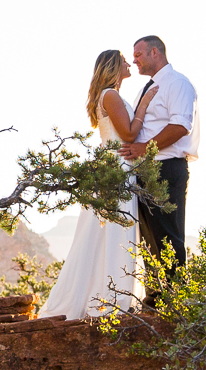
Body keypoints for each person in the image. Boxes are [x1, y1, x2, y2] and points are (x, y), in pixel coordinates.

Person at [40, 49, 148, 320]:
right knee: (116, 233)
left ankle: (109, 295)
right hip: (117, 170)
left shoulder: (109, 95)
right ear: (114, 66)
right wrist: (145, 104)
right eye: (124, 60)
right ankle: (112, 299)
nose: (129, 63)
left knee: (110, 234)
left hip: (117, 167)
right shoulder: (110, 96)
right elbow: (129, 133)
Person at [120, 34, 198, 306]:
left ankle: (175, 299)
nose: (134, 60)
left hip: (166, 168)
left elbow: (180, 126)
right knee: (150, 236)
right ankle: (155, 297)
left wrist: (145, 149)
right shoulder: (151, 87)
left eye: (139, 54)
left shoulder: (177, 84)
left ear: (156, 52)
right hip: (146, 170)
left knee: (168, 234)